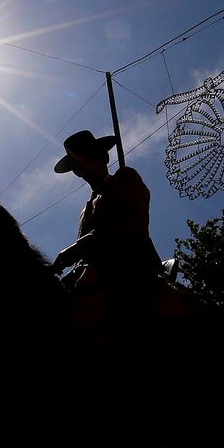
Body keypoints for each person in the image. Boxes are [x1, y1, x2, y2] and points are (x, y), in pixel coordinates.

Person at [50, 130, 164, 321]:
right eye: (78, 164)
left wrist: (75, 250)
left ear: (104, 156)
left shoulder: (125, 178)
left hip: (132, 270)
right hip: (95, 276)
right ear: (76, 171)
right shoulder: (85, 210)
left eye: (89, 157)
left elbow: (128, 224)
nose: (83, 167)